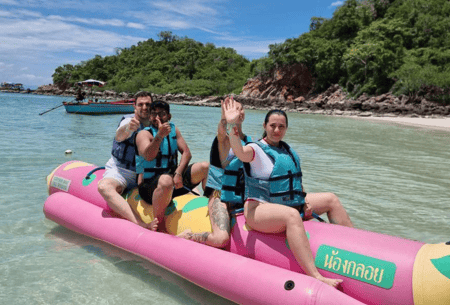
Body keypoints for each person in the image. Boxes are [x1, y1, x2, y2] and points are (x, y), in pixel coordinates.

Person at [224, 101, 353, 288]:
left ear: (286, 128)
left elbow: (293, 182)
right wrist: (233, 125)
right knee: (291, 216)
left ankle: (355, 250)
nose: (277, 130)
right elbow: (239, 151)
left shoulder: (285, 150)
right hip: (258, 209)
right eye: (272, 126)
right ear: (264, 126)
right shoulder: (256, 150)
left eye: (281, 126)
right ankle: (315, 275)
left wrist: (302, 200)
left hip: (286, 203)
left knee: (330, 199)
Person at [178, 96, 252, 247]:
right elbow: (223, 129)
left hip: (243, 198)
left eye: (240, 109)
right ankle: (190, 236)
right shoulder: (224, 139)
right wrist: (225, 118)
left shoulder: (251, 143)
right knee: (221, 239)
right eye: (233, 109)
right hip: (220, 196)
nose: (238, 112)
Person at [135, 100, 209, 226]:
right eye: (154, 114)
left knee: (205, 167)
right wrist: (159, 136)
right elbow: (148, 156)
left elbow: (186, 153)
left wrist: (179, 173)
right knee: (165, 180)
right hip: (149, 187)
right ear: (150, 116)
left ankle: (209, 205)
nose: (157, 117)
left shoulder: (174, 130)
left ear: (169, 117)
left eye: (162, 114)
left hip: (174, 182)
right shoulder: (143, 134)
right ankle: (160, 224)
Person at [98, 92, 158, 230]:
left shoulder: (157, 125)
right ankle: (138, 223)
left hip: (145, 174)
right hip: (122, 172)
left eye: (148, 104)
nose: (144, 107)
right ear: (134, 106)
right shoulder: (128, 121)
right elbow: (120, 135)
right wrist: (128, 128)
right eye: (140, 104)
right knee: (103, 187)